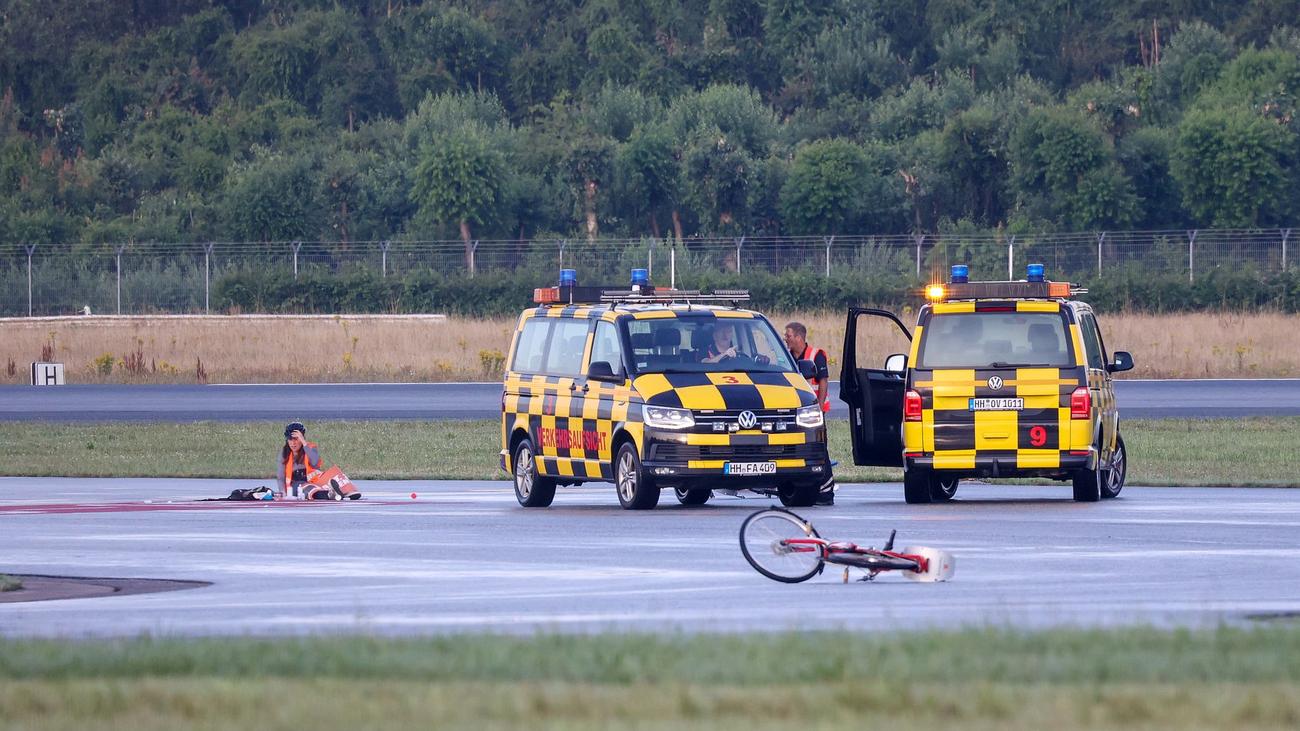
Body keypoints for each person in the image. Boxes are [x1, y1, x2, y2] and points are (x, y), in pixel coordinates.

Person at [784, 322, 835, 505]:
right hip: (795, 412)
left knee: (820, 450)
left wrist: (819, 407)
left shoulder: (816, 355)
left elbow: (823, 381)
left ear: (799, 337)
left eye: (788, 335)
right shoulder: (787, 357)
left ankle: (826, 492)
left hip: (813, 412)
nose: (785, 338)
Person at [278, 422, 339, 500]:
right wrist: (283, 493)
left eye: (296, 439)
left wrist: (304, 443)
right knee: (308, 489)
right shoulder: (285, 454)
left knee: (334, 478)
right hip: (296, 487)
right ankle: (329, 494)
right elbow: (280, 476)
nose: (293, 443)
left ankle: (347, 491)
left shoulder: (310, 448)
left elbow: (315, 462)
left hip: (315, 481)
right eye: (290, 439)